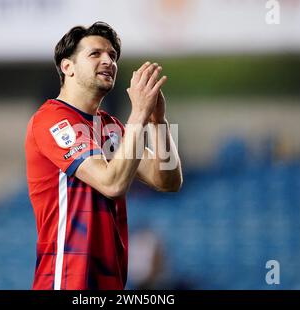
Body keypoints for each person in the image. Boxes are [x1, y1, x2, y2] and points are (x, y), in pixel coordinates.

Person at [25, 21, 182, 290]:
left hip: (110, 282)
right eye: (95, 54)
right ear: (68, 67)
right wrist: (138, 115)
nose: (108, 60)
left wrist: (159, 122)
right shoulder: (51, 119)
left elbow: (168, 181)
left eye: (112, 55)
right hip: (66, 281)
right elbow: (112, 183)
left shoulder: (111, 127)